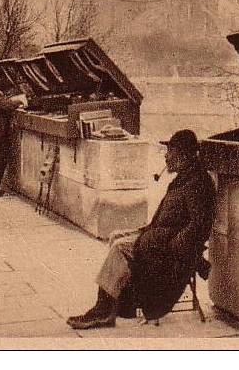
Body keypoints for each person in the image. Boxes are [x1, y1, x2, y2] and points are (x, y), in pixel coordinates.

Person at [66, 129, 216, 330]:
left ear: (182, 155)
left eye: (169, 151)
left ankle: (103, 311)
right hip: (159, 237)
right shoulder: (185, 178)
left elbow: (199, 225)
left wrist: (172, 246)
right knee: (116, 236)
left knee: (120, 247)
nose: (166, 156)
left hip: (168, 247)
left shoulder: (197, 183)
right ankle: (112, 304)